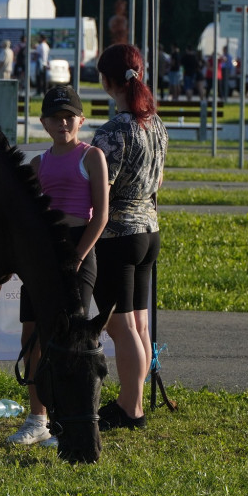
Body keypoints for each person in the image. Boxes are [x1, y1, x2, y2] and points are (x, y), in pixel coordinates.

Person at [8, 86, 109, 447]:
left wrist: (77, 257)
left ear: (81, 120)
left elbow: (100, 218)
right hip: (44, 258)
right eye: (55, 117)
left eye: (70, 117)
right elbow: (31, 218)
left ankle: (68, 419)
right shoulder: (38, 163)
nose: (63, 122)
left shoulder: (92, 156)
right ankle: (38, 418)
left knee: (69, 340)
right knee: (31, 337)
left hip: (78, 253)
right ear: (44, 123)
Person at [90, 43, 168, 432]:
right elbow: (159, 180)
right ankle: (132, 403)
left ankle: (130, 407)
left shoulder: (113, 131)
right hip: (149, 230)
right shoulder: (155, 123)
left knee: (119, 327)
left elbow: (99, 188)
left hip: (119, 236)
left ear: (106, 81)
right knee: (138, 323)